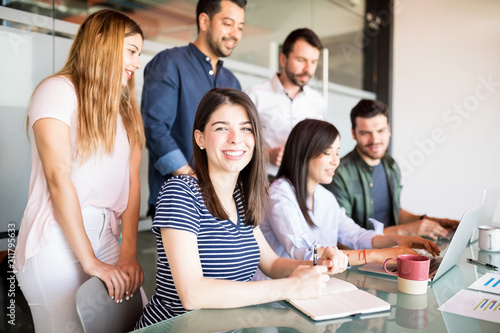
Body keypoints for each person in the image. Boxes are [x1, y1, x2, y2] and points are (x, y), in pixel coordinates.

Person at [135, 88, 348, 328]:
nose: (236, 138)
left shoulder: (241, 197)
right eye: (221, 128)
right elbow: (192, 294)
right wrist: (289, 287)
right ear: (200, 138)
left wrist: (316, 265)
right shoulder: (181, 192)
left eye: (246, 128)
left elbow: (272, 264)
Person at [14, 10, 145, 332]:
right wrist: (90, 262)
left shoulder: (125, 109)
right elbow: (58, 178)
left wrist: (128, 253)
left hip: (108, 234)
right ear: (101, 43)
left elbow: (132, 181)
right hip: (57, 238)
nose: (136, 63)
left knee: (133, 322)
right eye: (131, 51)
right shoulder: (58, 90)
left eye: (139, 54)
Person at [257, 119, 440, 274]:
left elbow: (356, 235)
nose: (335, 161)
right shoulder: (279, 195)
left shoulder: (325, 197)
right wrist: (376, 255)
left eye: (337, 152)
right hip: (278, 296)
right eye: (328, 153)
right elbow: (305, 253)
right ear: (304, 154)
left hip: (315, 287)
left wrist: (398, 240)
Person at [142, 0, 246, 218]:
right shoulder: (170, 62)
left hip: (223, 201)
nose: (235, 34)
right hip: (178, 201)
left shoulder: (232, 82)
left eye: (240, 27)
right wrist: (192, 177)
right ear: (204, 21)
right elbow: (154, 127)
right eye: (228, 23)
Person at [325, 99, 460, 240]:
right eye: (366, 133)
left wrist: (428, 221)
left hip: (394, 248)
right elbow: (344, 238)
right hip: (366, 258)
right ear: (354, 134)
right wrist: (406, 231)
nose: (375, 139)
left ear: (388, 130)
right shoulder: (338, 174)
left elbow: (395, 212)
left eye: (380, 130)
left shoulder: (391, 165)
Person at [245, 28, 327, 178]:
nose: (308, 69)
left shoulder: (318, 102)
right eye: (301, 60)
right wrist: (267, 154)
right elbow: (239, 141)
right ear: (283, 59)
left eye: (313, 62)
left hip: (304, 182)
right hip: (264, 183)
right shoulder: (254, 96)